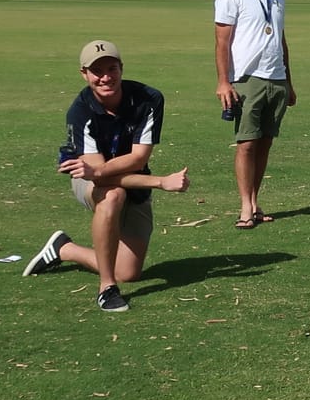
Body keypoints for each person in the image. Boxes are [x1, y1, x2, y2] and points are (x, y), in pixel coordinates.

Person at [22, 39, 190, 313]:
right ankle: (107, 288)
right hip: (87, 178)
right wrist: (161, 182)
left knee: (129, 272)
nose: (105, 77)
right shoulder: (80, 112)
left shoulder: (149, 99)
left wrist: (102, 171)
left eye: (111, 69)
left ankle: (64, 250)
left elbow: (138, 158)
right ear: (84, 73)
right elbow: (99, 179)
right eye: (96, 71)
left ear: (121, 68)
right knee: (113, 195)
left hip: (126, 176)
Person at [214, 0, 295, 229]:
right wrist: (224, 82)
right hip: (247, 78)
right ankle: (245, 206)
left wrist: (289, 80)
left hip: (276, 78)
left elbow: (281, 39)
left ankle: (255, 201)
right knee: (246, 143)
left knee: (265, 143)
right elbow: (222, 42)